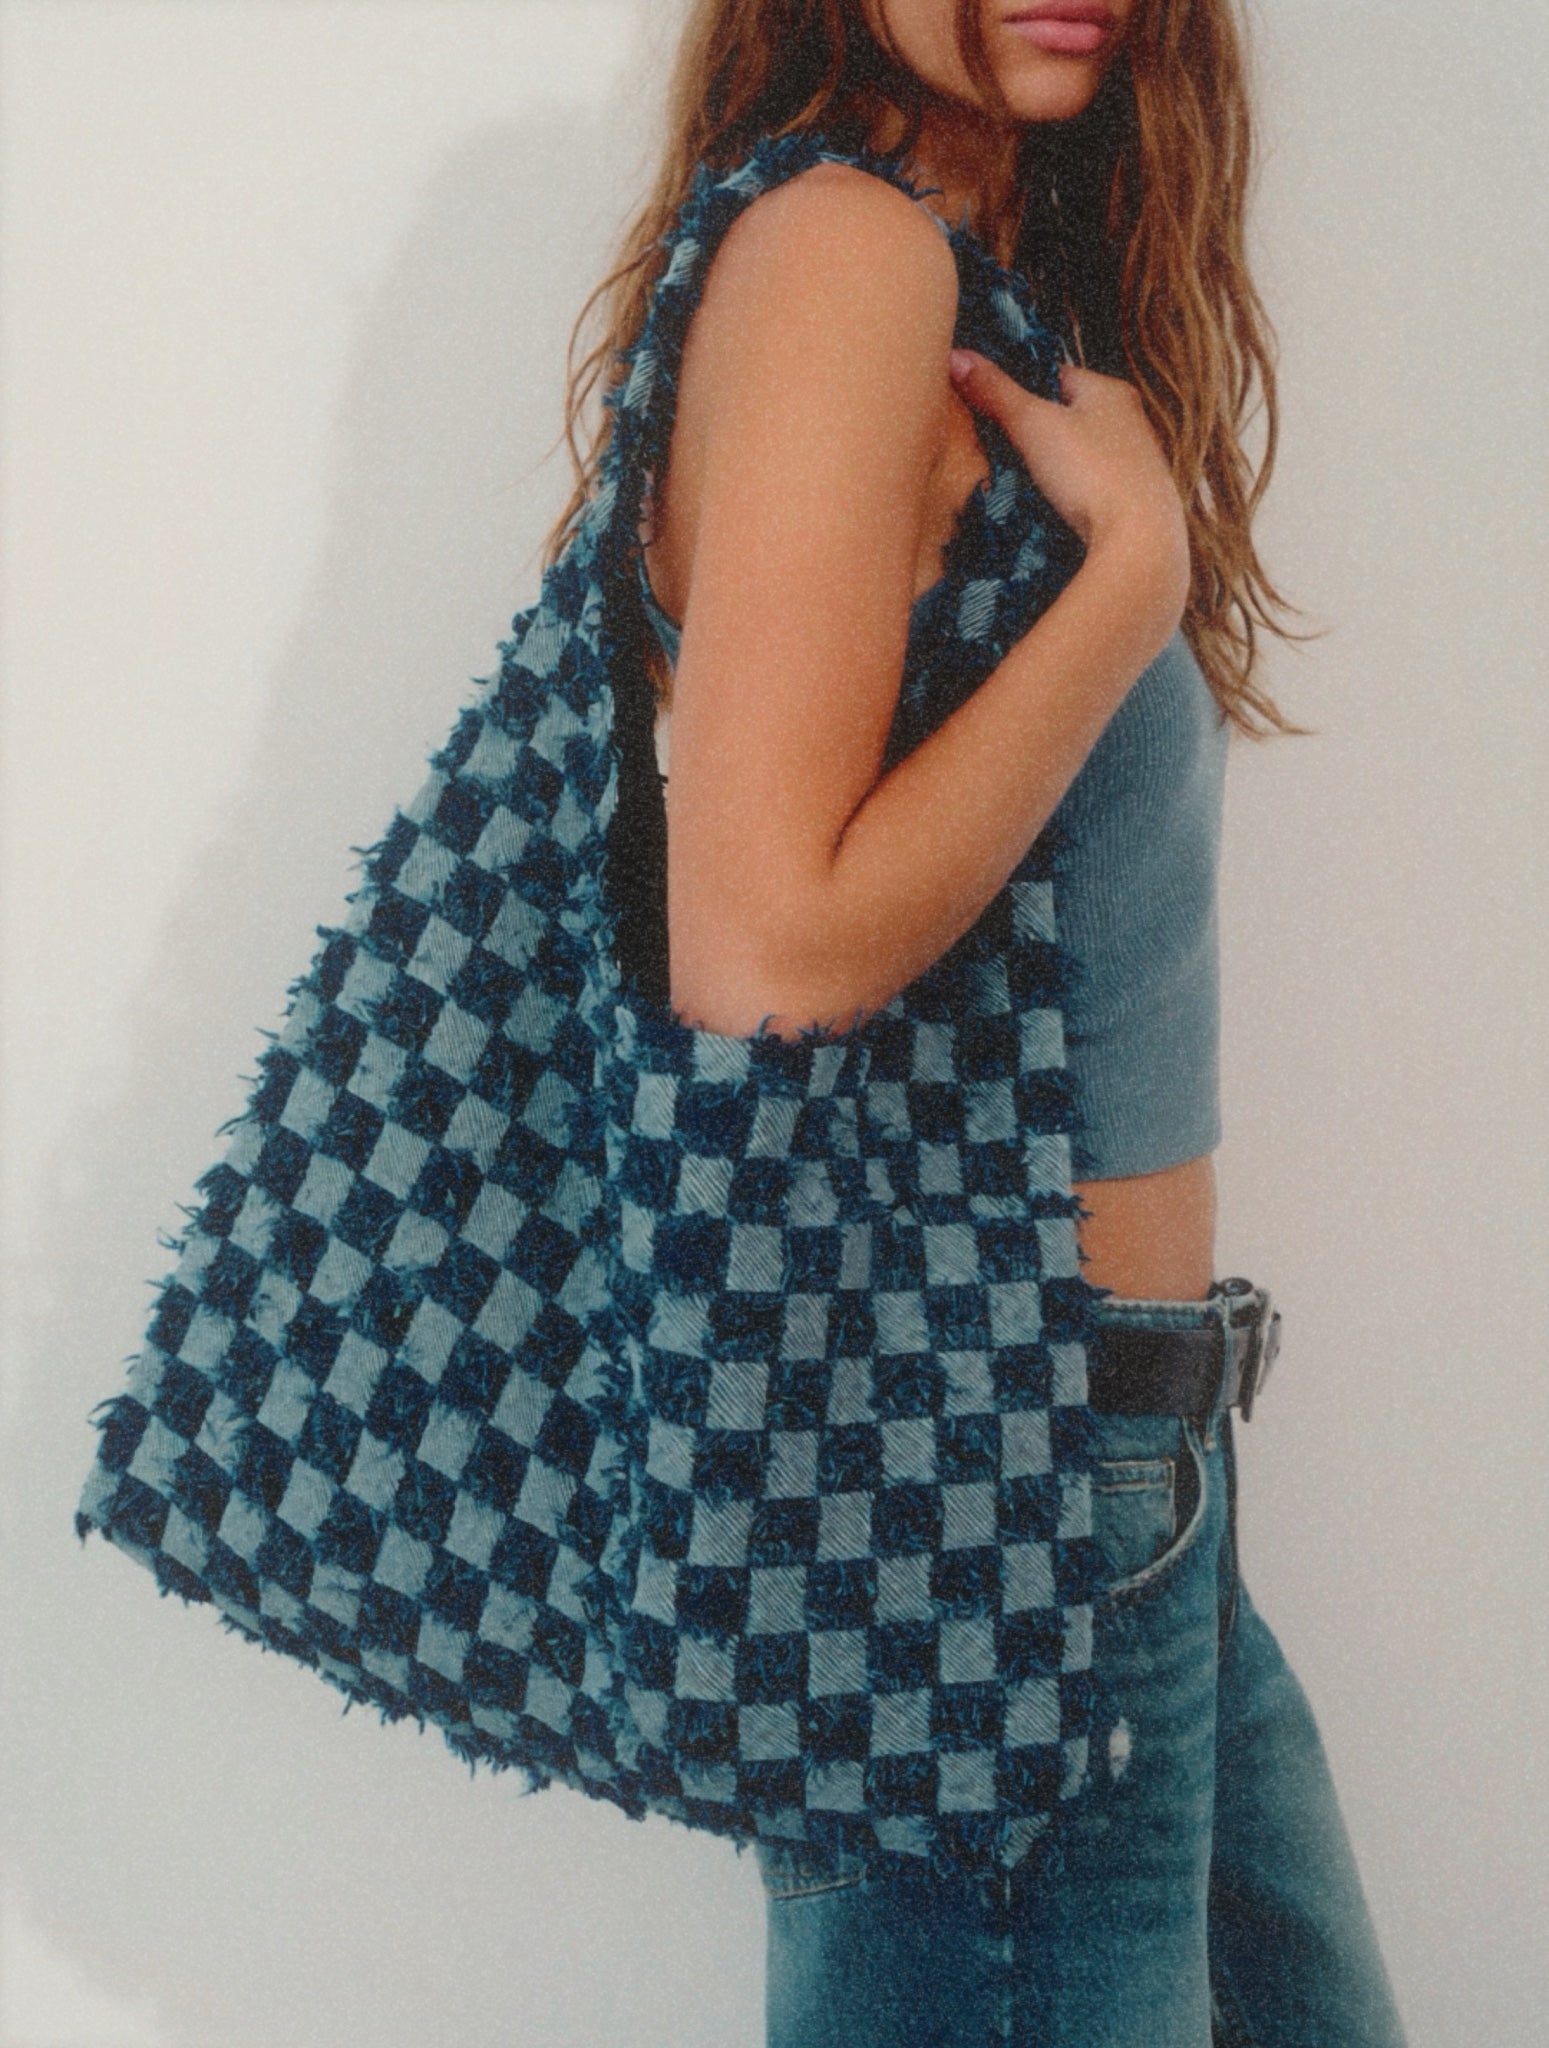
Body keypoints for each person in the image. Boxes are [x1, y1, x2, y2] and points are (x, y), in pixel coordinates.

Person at [544, 1, 1409, 2042]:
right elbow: (766, 956)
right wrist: (1127, 584)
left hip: (1101, 1466)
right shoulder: (846, 257)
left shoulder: (964, 279)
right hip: (991, 1478)